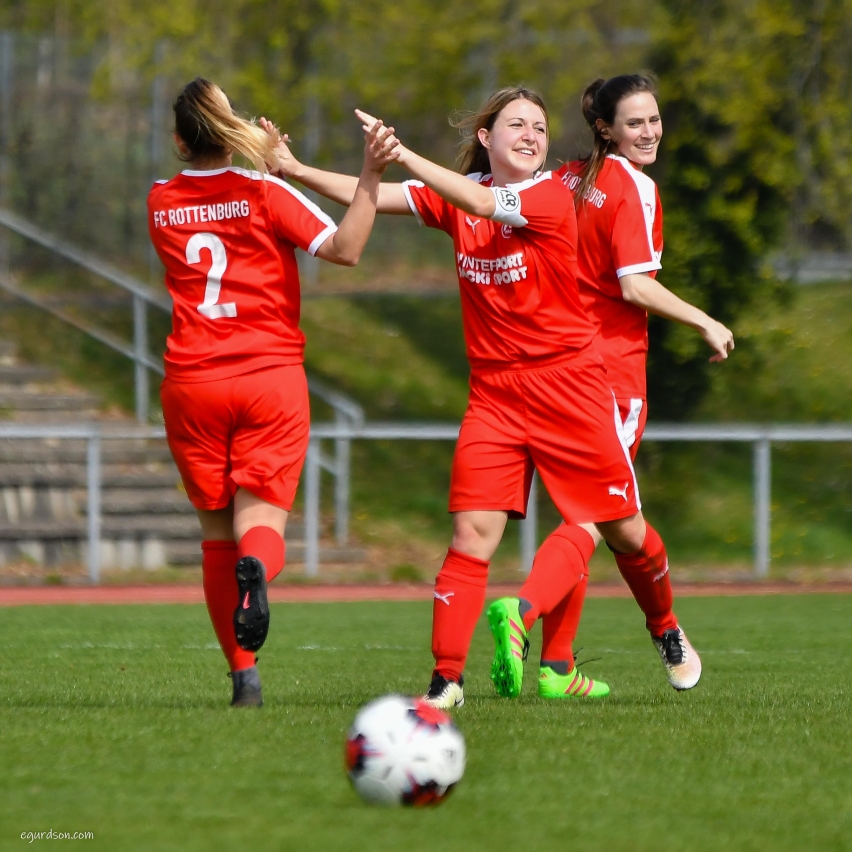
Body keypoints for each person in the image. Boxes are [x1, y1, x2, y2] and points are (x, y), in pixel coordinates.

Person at [269, 87, 686, 708]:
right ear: (486, 138)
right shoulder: (462, 194)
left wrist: (403, 153)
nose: (531, 135)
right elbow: (375, 196)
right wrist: (294, 168)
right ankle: (446, 681)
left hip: (569, 387)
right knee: (472, 533)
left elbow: (483, 202)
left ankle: (665, 626)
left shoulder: (548, 195)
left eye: (539, 127)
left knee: (624, 531)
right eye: (516, 124)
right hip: (494, 394)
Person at [147, 78, 397, 708]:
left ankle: (244, 681)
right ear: (232, 130)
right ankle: (258, 573)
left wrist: (252, 156)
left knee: (216, 538)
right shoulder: (264, 191)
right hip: (267, 378)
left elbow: (207, 208)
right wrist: (368, 174)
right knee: (258, 528)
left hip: (192, 383)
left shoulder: (159, 201)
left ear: (179, 140)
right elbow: (346, 248)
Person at [508, 74, 735, 694]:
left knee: (584, 517)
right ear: (605, 128)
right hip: (608, 376)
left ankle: (558, 666)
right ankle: (529, 612)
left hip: (547, 371)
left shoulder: (562, 180)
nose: (650, 131)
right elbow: (634, 286)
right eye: (635, 122)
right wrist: (705, 320)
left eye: (654, 119)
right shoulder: (634, 186)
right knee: (600, 517)